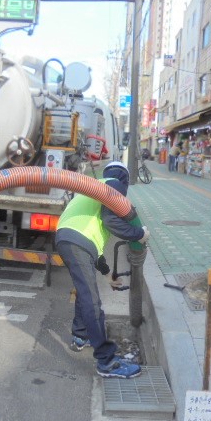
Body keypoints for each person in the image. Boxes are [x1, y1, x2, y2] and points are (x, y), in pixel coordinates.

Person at [55, 161, 150, 379]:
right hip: (78, 241)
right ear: (124, 179)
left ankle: (81, 336)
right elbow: (110, 220)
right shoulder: (114, 184)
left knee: (85, 291)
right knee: (92, 301)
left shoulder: (93, 187)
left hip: (68, 238)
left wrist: (107, 274)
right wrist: (139, 234)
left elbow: (95, 245)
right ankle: (106, 362)